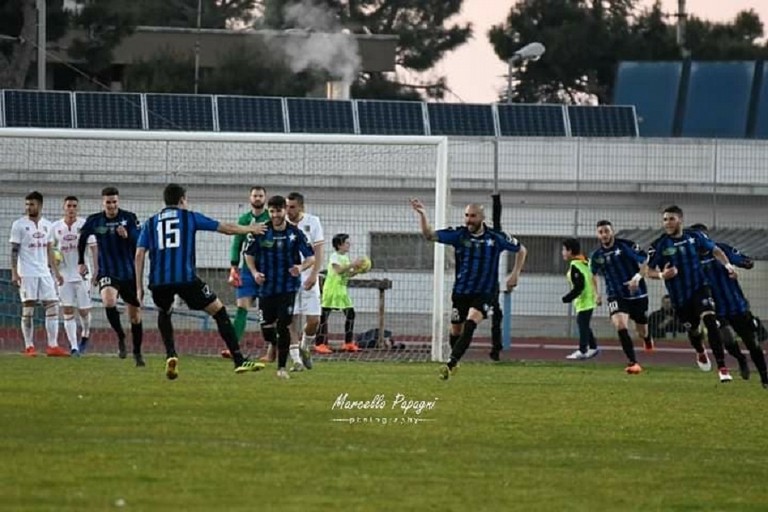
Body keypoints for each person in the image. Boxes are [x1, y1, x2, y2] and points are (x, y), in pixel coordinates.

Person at [135, 183, 266, 379]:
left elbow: (139, 254)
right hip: (186, 278)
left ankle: (171, 354)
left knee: (165, 311)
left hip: (158, 280)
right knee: (219, 311)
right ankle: (239, 360)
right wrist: (250, 228)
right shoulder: (189, 217)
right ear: (181, 200)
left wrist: (139, 287)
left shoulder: (151, 222)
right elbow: (226, 228)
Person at [411, 198, 527, 380]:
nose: (468, 220)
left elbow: (521, 250)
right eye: (466, 216)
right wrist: (423, 215)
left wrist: (515, 274)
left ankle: (450, 363)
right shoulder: (459, 235)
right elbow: (429, 235)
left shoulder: (496, 238)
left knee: (471, 323)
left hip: (485, 292)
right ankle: (455, 361)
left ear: (482, 217)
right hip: (461, 292)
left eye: (472, 216)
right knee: (456, 330)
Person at [646, 206, 733, 383]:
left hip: (700, 288)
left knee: (709, 319)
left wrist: (728, 266)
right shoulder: (659, 245)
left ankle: (722, 367)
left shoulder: (695, 236)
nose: (667, 223)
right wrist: (662, 275)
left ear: (680, 220)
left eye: (671, 219)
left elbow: (716, 250)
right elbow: (648, 271)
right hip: (679, 297)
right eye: (665, 220)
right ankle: (700, 351)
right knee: (694, 330)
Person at [244, 195, 315, 380]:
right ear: (269, 211)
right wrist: (254, 273)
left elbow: (311, 258)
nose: (276, 214)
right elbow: (249, 254)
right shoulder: (261, 231)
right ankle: (274, 346)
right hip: (266, 288)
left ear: (285, 210)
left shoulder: (295, 233)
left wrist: (300, 267)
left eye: (279, 210)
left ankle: (281, 368)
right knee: (267, 329)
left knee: (284, 326)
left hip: (288, 288)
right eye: (272, 211)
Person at [689, 223, 768, 388]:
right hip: (715, 308)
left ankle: (764, 376)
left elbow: (745, 261)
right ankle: (740, 358)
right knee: (727, 338)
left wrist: (746, 263)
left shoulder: (721, 250)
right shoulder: (691, 259)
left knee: (752, 343)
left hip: (736, 305)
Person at [78, 187, 144, 366]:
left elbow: (139, 242)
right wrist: (80, 261)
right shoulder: (94, 220)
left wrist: (128, 235)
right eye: (108, 202)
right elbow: (82, 238)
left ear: (118, 201)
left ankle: (137, 353)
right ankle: (121, 336)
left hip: (129, 273)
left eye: (114, 202)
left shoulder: (129, 217)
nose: (112, 205)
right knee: (108, 301)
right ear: (103, 203)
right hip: (107, 271)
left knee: (135, 316)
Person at [9, 191, 68, 357]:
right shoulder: (18, 225)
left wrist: (56, 273)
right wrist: (14, 272)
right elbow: (14, 250)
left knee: (52, 305)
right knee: (28, 308)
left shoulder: (47, 225)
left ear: (40, 205)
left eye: (32, 204)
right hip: (27, 273)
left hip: (44, 272)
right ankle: (29, 346)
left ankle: (53, 345)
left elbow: (50, 250)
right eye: (27, 204)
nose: (28, 207)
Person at [589, 220, 652, 374]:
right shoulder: (597, 256)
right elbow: (593, 274)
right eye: (601, 232)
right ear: (598, 235)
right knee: (621, 325)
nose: (604, 234)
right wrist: (596, 294)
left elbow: (645, 260)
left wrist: (636, 278)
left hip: (637, 294)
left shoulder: (626, 246)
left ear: (612, 232)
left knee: (641, 329)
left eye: (606, 231)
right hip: (615, 294)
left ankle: (646, 338)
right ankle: (633, 362)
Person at [222, 186, 272, 360]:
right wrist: (234, 266)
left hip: (268, 271)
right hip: (246, 271)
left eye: (260, 195)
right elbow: (237, 242)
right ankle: (233, 348)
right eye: (255, 195)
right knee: (242, 306)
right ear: (250, 198)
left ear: (265, 198)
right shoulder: (244, 219)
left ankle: (272, 351)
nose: (257, 198)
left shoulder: (271, 218)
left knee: (269, 312)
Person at [51, 196, 97, 356]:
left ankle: (85, 333)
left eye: (74, 206)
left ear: (78, 208)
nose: (71, 209)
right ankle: (74, 347)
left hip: (82, 274)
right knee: (68, 310)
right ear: (63, 207)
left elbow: (93, 248)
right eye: (69, 206)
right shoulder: (55, 227)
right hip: (63, 275)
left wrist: (96, 271)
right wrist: (55, 272)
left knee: (84, 311)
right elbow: (50, 250)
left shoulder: (85, 225)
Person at [286, 191, 326, 370]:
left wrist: (313, 274)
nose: (288, 210)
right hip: (288, 277)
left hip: (308, 275)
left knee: (314, 320)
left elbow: (318, 252)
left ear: (301, 207)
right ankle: (296, 360)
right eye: (287, 206)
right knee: (291, 319)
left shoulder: (313, 221)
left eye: (292, 207)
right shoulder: (282, 223)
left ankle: (304, 346)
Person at [316, 234, 365, 352]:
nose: (349, 245)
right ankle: (319, 344)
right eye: (347, 243)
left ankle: (348, 343)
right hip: (332, 290)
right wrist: (352, 265)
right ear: (339, 245)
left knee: (351, 314)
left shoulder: (345, 258)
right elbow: (338, 270)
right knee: (323, 317)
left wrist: (359, 270)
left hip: (342, 291)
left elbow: (347, 274)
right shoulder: (334, 256)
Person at [561, 238, 600, 362]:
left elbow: (579, 286)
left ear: (570, 251)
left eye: (563, 249)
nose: (562, 252)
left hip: (584, 300)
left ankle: (582, 350)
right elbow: (594, 276)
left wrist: (567, 298)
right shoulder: (586, 261)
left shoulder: (575, 266)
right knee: (584, 324)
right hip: (590, 298)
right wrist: (597, 294)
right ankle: (593, 347)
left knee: (582, 324)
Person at [489, 192, 504, 361]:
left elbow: (497, 222)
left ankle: (496, 347)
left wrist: (496, 201)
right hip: (474, 285)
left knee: (497, 314)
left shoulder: (495, 239)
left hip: (491, 285)